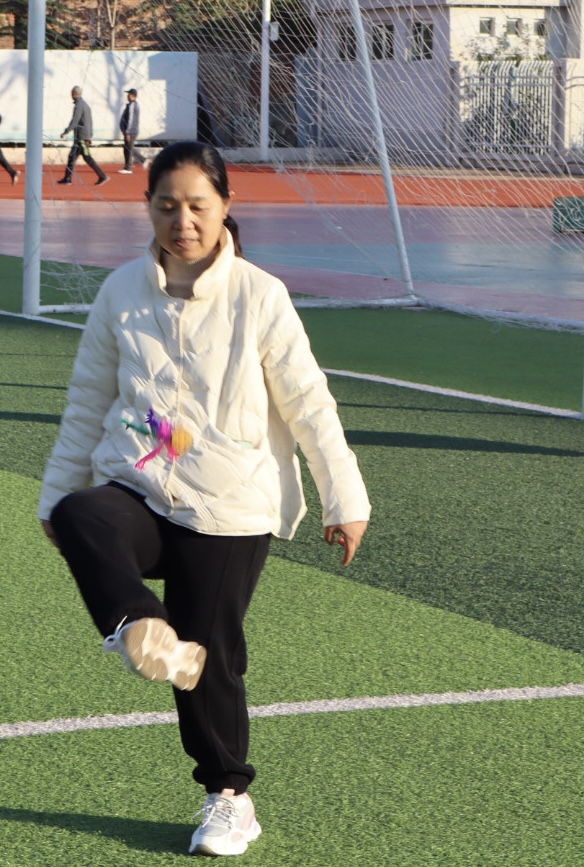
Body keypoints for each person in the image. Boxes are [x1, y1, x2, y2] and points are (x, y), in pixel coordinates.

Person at [38, 141, 370, 857]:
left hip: (229, 503)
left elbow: (309, 402)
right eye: (166, 206)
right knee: (80, 514)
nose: (181, 221)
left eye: (196, 206)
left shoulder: (260, 295)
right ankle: (141, 628)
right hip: (142, 486)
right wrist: (57, 492)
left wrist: (344, 497)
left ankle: (229, 798)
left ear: (225, 207)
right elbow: (88, 398)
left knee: (208, 653)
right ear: (148, 208)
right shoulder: (121, 291)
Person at [57, 86, 109, 186]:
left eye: (71, 93)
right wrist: (89, 136)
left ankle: (102, 176)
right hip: (83, 137)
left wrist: (66, 131)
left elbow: (75, 120)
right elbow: (90, 122)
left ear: (74, 94)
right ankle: (67, 178)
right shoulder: (85, 105)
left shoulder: (79, 105)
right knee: (72, 157)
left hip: (81, 137)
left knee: (87, 157)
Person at [117, 88, 147, 174]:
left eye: (129, 94)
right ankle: (143, 160)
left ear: (133, 96)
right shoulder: (131, 105)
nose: (127, 96)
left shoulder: (133, 105)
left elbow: (131, 119)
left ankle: (128, 168)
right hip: (130, 131)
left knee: (128, 149)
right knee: (128, 148)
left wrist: (128, 132)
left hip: (131, 132)